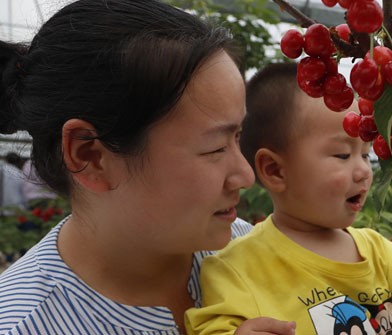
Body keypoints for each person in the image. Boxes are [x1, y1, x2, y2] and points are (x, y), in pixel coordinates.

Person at [0, 1, 296, 334]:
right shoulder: (26, 324)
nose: (245, 175)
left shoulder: (252, 250)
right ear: (90, 156)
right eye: (215, 147)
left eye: (238, 136)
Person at [185, 62, 392, 334]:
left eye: (365, 155)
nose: (363, 171)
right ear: (275, 170)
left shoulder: (383, 255)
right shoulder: (235, 267)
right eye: (343, 156)